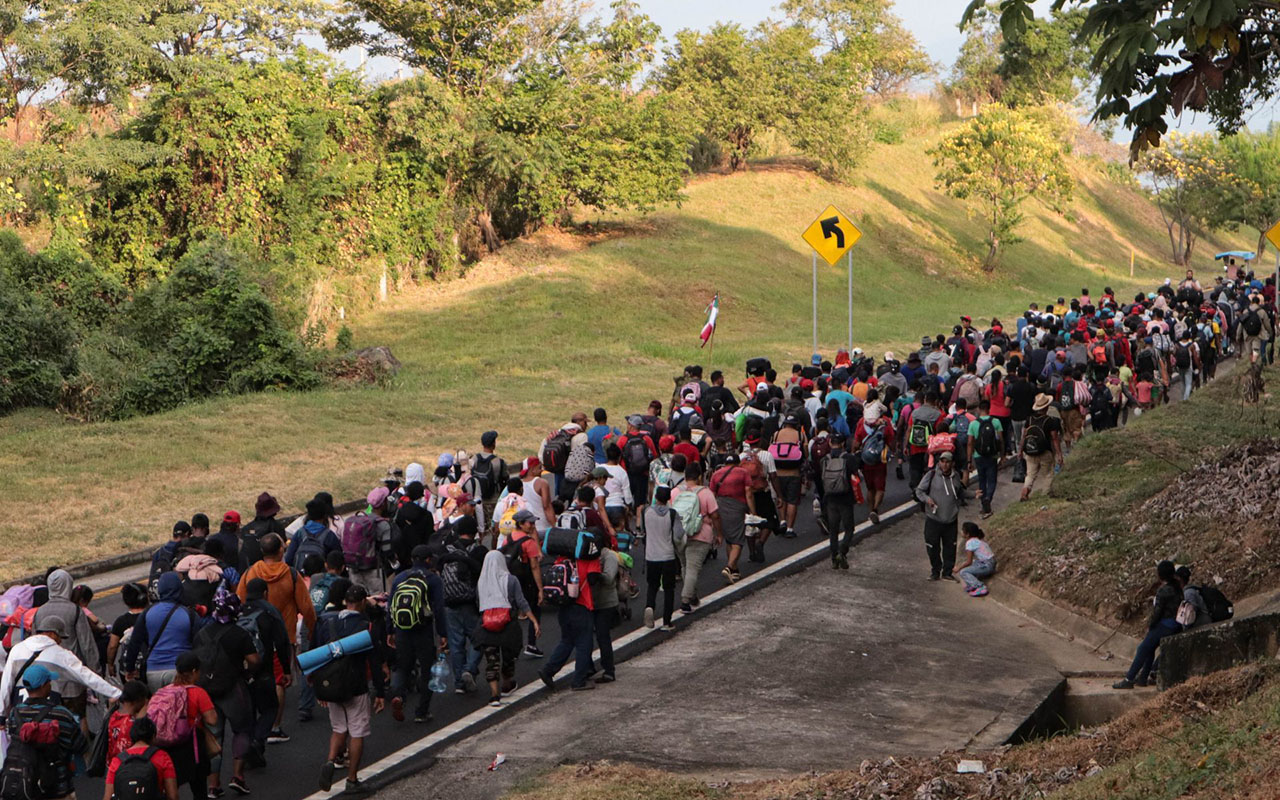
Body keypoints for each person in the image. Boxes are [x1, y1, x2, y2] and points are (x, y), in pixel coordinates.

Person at [234, 533, 314, 742]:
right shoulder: (291, 574)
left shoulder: (251, 573)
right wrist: (313, 631)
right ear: (281, 550)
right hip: (283, 636)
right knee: (279, 680)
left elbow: (239, 601)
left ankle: (254, 723)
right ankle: (275, 727)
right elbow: (306, 607)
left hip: (252, 637)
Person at [316, 586, 387, 793]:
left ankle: (330, 760)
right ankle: (352, 779)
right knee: (357, 731)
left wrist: (319, 688)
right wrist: (380, 692)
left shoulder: (328, 622)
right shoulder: (366, 626)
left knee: (338, 729)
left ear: (345, 602)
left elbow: (319, 655)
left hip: (332, 684)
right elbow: (374, 662)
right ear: (363, 602)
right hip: (356, 684)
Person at [192, 589, 260, 797]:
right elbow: (254, 660)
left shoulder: (201, 634)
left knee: (214, 736)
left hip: (207, 692)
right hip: (233, 687)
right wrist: (248, 673)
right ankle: (238, 776)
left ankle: (213, 785)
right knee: (242, 730)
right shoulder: (240, 634)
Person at [4, 664, 86, 800]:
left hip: (25, 784)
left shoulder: (15, 713)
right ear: (43, 685)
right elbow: (80, 745)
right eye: (49, 681)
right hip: (57, 786)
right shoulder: (62, 714)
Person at [386, 546, 448, 724]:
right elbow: (438, 608)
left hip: (402, 629)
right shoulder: (432, 579)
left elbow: (390, 606)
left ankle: (398, 695)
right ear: (428, 560)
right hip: (423, 629)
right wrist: (442, 634)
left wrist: (390, 630)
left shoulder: (400, 578)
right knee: (427, 668)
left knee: (403, 666)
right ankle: (422, 711)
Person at [31, 568, 101, 720]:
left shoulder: (39, 612)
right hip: (72, 677)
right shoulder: (74, 610)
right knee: (79, 717)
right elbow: (87, 645)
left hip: (47, 680)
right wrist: (96, 673)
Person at [238, 578, 291, 771]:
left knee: (248, 712)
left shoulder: (239, 611)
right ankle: (258, 741)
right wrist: (286, 669)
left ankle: (249, 751)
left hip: (241, 672)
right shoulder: (269, 611)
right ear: (265, 593)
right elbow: (282, 641)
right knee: (270, 708)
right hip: (264, 669)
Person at [474, 551, 538, 707]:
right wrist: (533, 620)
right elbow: (521, 601)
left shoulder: (481, 582)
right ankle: (507, 683)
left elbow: (478, 603)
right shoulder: (511, 580)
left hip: (487, 623)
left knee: (491, 659)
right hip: (508, 623)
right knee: (509, 655)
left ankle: (494, 695)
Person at [151, 652, 219, 800]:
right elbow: (212, 720)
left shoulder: (164, 691)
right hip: (192, 746)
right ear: (194, 671)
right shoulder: (198, 692)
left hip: (167, 748)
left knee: (170, 789)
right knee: (199, 790)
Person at [123, 573, 201, 692]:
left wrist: (129, 668)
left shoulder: (148, 613)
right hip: (180, 671)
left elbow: (135, 642)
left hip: (153, 671)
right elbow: (199, 644)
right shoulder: (189, 614)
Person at [1114, 560, 1183, 689]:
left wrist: (1151, 625)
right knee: (1150, 649)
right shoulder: (1178, 588)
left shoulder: (1163, 591)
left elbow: (1157, 612)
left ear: (1160, 575)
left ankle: (1129, 679)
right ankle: (1142, 678)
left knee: (1143, 649)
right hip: (1176, 625)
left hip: (1164, 625)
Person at [438, 520, 486, 694]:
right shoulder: (479, 551)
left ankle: (458, 683)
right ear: (474, 532)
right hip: (470, 602)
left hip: (449, 602)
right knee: (478, 638)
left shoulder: (447, 551)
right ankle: (470, 668)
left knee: (456, 643)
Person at [671, 462, 720, 614]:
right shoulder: (706, 493)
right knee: (693, 568)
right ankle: (685, 600)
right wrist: (719, 533)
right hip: (701, 534)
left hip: (679, 534)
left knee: (685, 565)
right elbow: (715, 515)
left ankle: (692, 596)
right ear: (699, 476)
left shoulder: (675, 492)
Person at [913, 451, 964, 582]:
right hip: (933, 519)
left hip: (951, 519)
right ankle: (935, 571)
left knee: (950, 548)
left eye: (947, 462)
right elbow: (919, 491)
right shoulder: (931, 475)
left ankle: (947, 572)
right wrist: (928, 500)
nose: (945, 464)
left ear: (952, 463)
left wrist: (974, 494)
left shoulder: (956, 476)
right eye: (942, 461)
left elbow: (960, 493)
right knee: (932, 546)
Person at [502, 510, 545, 658]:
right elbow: (534, 566)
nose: (533, 525)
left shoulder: (507, 539)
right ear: (521, 524)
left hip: (510, 580)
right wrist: (540, 589)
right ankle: (531, 643)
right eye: (530, 523)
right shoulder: (529, 542)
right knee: (534, 609)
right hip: (527, 581)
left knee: (511, 614)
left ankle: (511, 647)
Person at [103, 716, 180, 800]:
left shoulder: (118, 761)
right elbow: (173, 796)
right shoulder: (162, 757)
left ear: (132, 736)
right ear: (153, 736)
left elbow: (107, 797)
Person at [641, 486, 684, 631]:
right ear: (668, 499)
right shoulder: (672, 514)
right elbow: (678, 534)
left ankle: (649, 606)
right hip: (667, 556)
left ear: (656, 497)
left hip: (651, 555)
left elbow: (643, 531)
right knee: (669, 589)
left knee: (652, 585)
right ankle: (667, 622)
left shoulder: (646, 511)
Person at [820, 433, 859, 570]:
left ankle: (833, 557)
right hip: (846, 497)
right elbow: (856, 474)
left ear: (830, 443)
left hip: (830, 498)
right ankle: (842, 552)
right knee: (849, 528)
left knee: (833, 530)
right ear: (843, 444)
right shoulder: (849, 458)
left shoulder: (825, 459)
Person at [709, 455, 752, 583]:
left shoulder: (716, 474)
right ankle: (729, 567)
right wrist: (752, 511)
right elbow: (748, 492)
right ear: (737, 463)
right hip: (737, 505)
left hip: (721, 505)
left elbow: (712, 494)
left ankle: (734, 570)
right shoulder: (743, 472)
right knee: (738, 540)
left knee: (729, 539)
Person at [853, 406, 894, 524]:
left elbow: (856, 442)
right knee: (880, 487)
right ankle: (875, 510)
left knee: (870, 488)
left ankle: (871, 510)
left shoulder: (861, 424)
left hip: (866, 460)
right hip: (880, 460)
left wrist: (853, 454)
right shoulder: (885, 425)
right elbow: (890, 439)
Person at [768, 415, 807, 538]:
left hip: (778, 472)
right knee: (792, 500)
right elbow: (805, 449)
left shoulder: (776, 434)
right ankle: (790, 528)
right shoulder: (800, 435)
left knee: (781, 497)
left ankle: (782, 521)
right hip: (794, 472)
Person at [1019, 394, 1063, 500]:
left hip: (1030, 451)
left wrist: (1020, 451)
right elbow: (1054, 438)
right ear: (1047, 407)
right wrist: (1059, 453)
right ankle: (1045, 494)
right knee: (1048, 474)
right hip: (1045, 451)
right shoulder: (1049, 421)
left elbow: (1024, 436)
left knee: (1030, 474)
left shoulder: (1029, 419)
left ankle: (1025, 490)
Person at [967, 399, 1004, 519]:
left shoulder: (973, 424)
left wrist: (969, 460)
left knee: (982, 480)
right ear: (989, 409)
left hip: (979, 455)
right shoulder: (996, 421)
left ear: (979, 409)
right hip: (992, 455)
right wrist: (1002, 455)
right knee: (992, 480)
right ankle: (988, 498)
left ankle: (984, 504)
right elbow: (1001, 440)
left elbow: (970, 442)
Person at [107, 583, 149, 679]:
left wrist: (110, 664)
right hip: (151, 666)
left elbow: (112, 646)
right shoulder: (153, 615)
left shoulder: (121, 621)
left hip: (129, 670)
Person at [105, 680, 151, 765]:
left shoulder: (114, 717)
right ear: (137, 701)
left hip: (114, 765)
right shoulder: (135, 724)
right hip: (131, 766)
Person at [240, 494, 286, 572]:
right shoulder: (276, 526)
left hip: (248, 571)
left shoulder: (246, 529)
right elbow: (284, 547)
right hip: (272, 569)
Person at [956, 522, 996, 597]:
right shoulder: (978, 540)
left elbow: (968, 562)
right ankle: (972, 584)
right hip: (991, 563)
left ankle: (979, 586)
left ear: (967, 534)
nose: (961, 531)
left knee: (963, 572)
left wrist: (958, 568)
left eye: (962, 530)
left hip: (987, 565)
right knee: (974, 564)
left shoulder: (970, 543)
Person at [519, 458, 556, 535]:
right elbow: (547, 507)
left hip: (525, 529)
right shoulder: (542, 483)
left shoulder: (518, 484)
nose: (542, 470)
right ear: (532, 469)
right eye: (539, 468)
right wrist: (555, 526)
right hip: (543, 527)